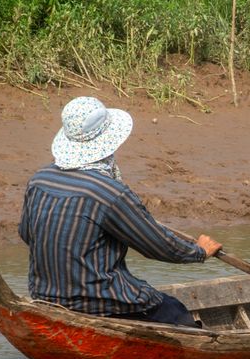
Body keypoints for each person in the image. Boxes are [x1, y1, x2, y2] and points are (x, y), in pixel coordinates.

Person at [18, 96, 222, 327]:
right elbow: (158, 246)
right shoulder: (111, 193)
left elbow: (27, 234)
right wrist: (199, 251)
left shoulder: (39, 180)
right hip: (98, 303)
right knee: (176, 313)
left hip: (46, 297)